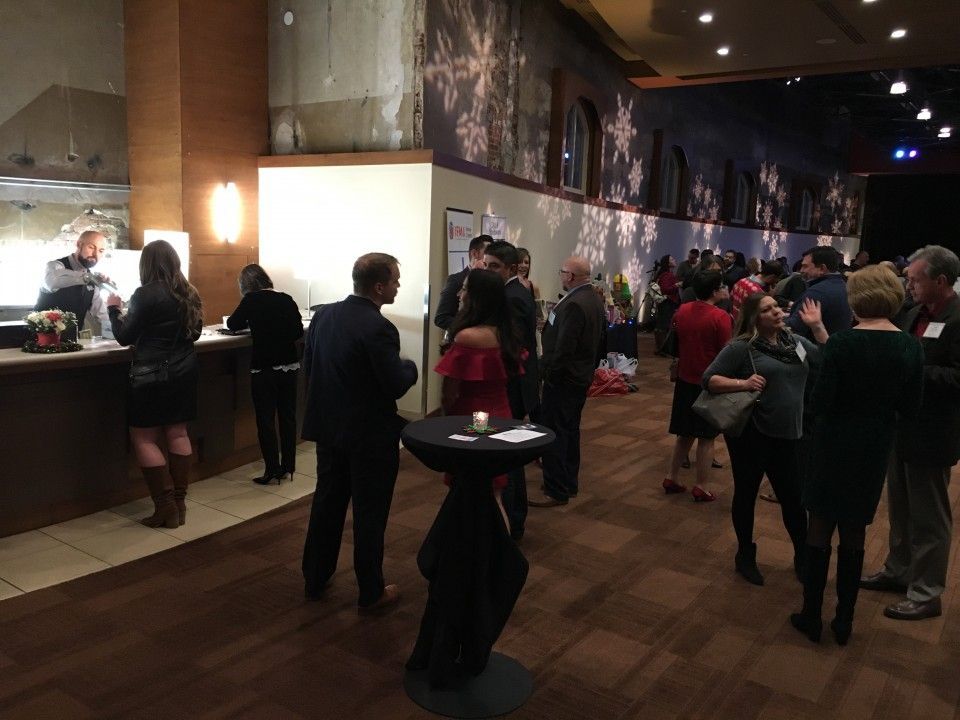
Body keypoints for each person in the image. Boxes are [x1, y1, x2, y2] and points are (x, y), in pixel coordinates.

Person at [788, 266, 923, 645]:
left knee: (820, 528)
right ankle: (844, 620)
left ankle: (811, 615)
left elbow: (821, 402)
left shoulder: (843, 343)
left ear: (857, 298)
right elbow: (911, 407)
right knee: (854, 534)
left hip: (832, 443)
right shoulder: (910, 346)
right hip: (874, 446)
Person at [300, 253, 418, 611]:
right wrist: (410, 367)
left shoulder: (323, 316)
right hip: (370, 436)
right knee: (369, 513)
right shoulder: (379, 328)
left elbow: (310, 367)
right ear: (379, 286)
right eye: (396, 280)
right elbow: (396, 384)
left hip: (329, 430)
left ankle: (315, 577)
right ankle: (371, 592)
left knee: (327, 504)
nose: (398, 285)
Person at [861, 245, 960, 621]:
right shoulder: (914, 312)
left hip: (933, 433)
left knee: (930, 518)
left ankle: (927, 592)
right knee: (900, 510)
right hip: (900, 428)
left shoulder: (958, 318)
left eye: (915, 279)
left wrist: (912, 369)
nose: (909, 284)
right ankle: (899, 571)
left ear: (941, 281)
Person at [702, 293, 819, 586]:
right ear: (755, 318)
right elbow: (710, 379)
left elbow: (826, 359)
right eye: (768, 310)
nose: (777, 312)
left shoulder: (795, 343)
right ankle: (745, 554)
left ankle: (802, 556)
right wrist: (743, 382)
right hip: (751, 434)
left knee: (793, 498)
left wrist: (817, 327)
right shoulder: (743, 347)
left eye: (777, 306)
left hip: (789, 433)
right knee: (746, 493)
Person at [106, 240, 202, 529]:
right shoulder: (190, 292)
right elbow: (194, 334)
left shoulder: (144, 295)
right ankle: (180, 503)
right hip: (184, 371)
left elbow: (124, 336)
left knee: (144, 438)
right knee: (178, 433)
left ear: (145, 264)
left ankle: (165, 507)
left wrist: (113, 310)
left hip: (150, 374)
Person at [434, 269, 524, 526]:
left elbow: (450, 392)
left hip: (472, 417)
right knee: (494, 493)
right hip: (501, 413)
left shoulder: (467, 337)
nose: (460, 294)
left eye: (464, 289)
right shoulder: (507, 334)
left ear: (476, 297)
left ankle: (469, 555)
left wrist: (444, 418)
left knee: (464, 491)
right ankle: (498, 560)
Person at [530, 256, 604, 507]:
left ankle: (556, 489)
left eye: (562, 272)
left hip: (564, 379)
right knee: (569, 431)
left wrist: (548, 374)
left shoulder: (574, 303)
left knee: (555, 432)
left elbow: (564, 348)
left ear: (570, 276)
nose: (559, 275)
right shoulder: (592, 297)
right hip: (579, 376)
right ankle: (568, 482)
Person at [226, 264, 304, 485]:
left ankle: (272, 468)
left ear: (246, 284)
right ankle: (288, 467)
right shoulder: (286, 298)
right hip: (289, 366)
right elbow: (297, 331)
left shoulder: (251, 300)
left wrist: (257, 326)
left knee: (266, 419)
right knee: (288, 417)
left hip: (264, 368)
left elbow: (233, 324)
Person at [483, 241, 540, 540]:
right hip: (514, 383)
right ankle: (512, 516)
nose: (489, 270)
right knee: (510, 455)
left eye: (495, 266)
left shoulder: (513, 296)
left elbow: (513, 348)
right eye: (486, 264)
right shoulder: (509, 292)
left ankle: (512, 520)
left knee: (509, 455)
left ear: (511, 268)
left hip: (514, 385)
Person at [663, 271, 731, 502]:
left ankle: (672, 476)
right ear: (714, 291)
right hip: (708, 382)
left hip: (684, 378)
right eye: (722, 286)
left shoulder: (683, 309)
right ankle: (701, 485)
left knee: (684, 432)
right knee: (706, 437)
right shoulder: (720, 317)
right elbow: (726, 351)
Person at [35, 230, 114, 338]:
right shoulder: (55, 266)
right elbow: (52, 282)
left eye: (100, 251)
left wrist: (113, 340)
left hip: (72, 346)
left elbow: (102, 315)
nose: (95, 254)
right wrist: (87, 278)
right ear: (78, 244)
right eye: (91, 247)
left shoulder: (92, 282)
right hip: (40, 343)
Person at [786, 246, 852, 340]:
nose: (801, 270)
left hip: (816, 350)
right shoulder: (844, 286)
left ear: (822, 268)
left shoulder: (817, 292)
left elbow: (794, 328)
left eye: (805, 266)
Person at [434, 234, 493, 331]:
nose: (491, 256)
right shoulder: (456, 280)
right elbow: (441, 318)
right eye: (487, 252)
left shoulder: (492, 279)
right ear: (474, 254)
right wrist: (470, 328)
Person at [652, 254, 679, 355]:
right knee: (664, 325)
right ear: (668, 263)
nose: (674, 260)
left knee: (662, 325)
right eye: (672, 259)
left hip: (665, 302)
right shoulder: (667, 275)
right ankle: (662, 349)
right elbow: (665, 289)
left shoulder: (664, 274)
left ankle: (661, 348)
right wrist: (676, 285)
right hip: (667, 302)